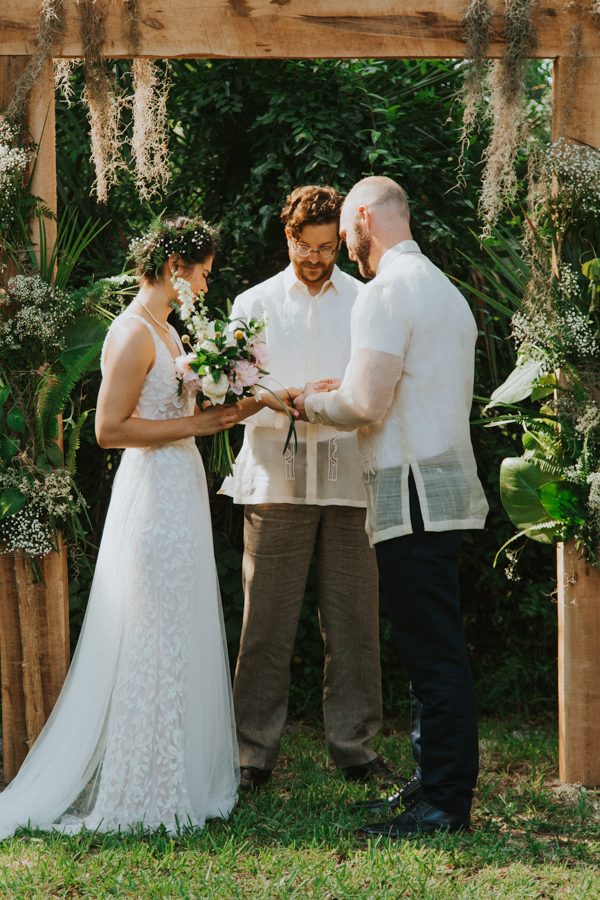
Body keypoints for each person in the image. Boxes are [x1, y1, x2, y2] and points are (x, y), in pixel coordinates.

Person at [0, 216, 282, 837]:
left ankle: (176, 776)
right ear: (177, 269)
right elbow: (109, 430)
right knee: (151, 630)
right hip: (152, 494)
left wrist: (249, 401)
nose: (206, 286)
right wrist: (196, 427)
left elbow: (189, 411)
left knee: (177, 626)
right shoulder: (132, 333)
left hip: (179, 486)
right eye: (204, 273)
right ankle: (143, 786)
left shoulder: (169, 329)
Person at [294, 176, 489, 837]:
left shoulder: (384, 292)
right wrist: (342, 388)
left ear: (363, 219)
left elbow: (363, 405)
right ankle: (430, 785)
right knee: (427, 645)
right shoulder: (442, 290)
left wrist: (307, 402)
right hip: (442, 489)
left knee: (431, 652)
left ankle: (444, 805)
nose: (346, 241)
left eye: (348, 228)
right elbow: (398, 388)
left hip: (413, 495)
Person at [220, 185, 393, 791]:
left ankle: (357, 750)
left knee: (352, 622)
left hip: (351, 476)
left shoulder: (368, 302)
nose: (317, 258)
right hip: (275, 478)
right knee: (265, 622)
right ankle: (250, 755)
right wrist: (288, 398)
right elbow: (231, 393)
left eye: (327, 247)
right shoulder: (253, 302)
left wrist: (330, 399)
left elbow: (381, 385)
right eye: (305, 245)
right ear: (286, 237)